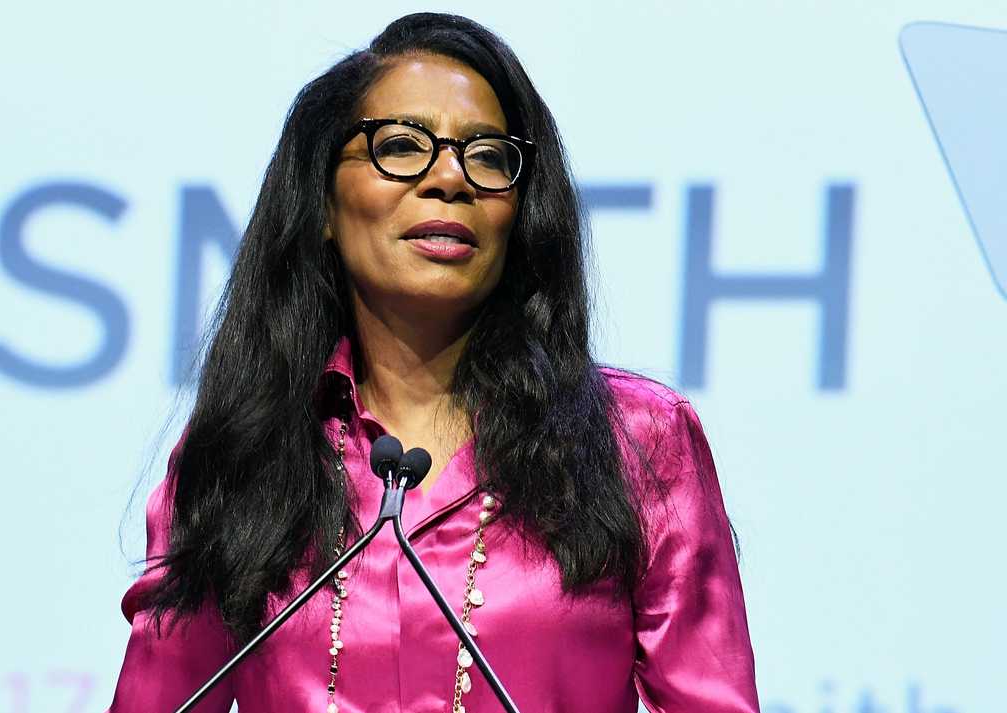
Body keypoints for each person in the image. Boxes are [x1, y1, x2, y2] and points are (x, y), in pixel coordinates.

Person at [107, 12, 759, 713]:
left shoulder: (639, 442)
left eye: (487, 156)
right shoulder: (243, 455)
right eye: (401, 145)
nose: (450, 178)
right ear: (323, 200)